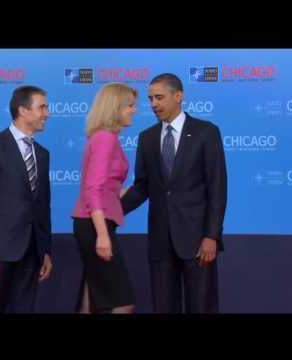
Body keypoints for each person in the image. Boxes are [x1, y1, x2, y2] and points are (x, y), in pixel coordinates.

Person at [121, 73, 227, 313]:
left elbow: (217, 188)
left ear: (178, 96)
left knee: (201, 306)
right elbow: (142, 187)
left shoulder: (206, 132)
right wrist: (111, 210)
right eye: (150, 99)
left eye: (159, 97)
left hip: (198, 240)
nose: (154, 104)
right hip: (160, 242)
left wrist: (211, 236)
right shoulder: (146, 138)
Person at [0, 85, 53, 313]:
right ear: (23, 111)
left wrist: (45, 250)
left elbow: (42, 206)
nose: (47, 113)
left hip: (32, 252)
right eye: (42, 107)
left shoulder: (43, 154)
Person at [72, 83, 137, 314]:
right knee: (122, 301)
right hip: (94, 225)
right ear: (115, 107)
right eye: (129, 105)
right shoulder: (105, 139)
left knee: (93, 299)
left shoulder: (106, 138)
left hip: (96, 222)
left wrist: (121, 193)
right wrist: (102, 235)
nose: (134, 110)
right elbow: (93, 188)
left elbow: (104, 186)